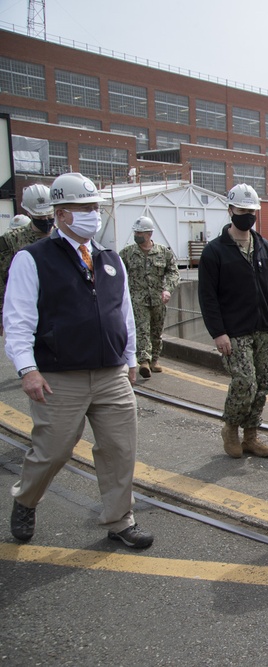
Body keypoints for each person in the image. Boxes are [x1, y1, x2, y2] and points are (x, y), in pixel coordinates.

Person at [5, 172, 153, 549]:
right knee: (53, 449)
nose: (93, 215)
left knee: (120, 449)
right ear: (62, 214)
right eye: (85, 209)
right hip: (59, 375)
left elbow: (124, 312)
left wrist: (131, 357)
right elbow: (18, 319)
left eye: (96, 208)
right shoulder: (32, 258)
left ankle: (120, 519)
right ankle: (26, 498)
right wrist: (27, 369)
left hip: (111, 372)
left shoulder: (109, 257)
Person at [198, 183, 268, 459]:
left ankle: (250, 435)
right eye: (242, 210)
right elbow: (208, 297)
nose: (248, 215)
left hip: (263, 327)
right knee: (245, 381)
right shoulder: (215, 252)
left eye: (252, 211)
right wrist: (218, 332)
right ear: (231, 210)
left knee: (264, 383)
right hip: (234, 331)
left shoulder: (265, 248)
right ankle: (231, 428)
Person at [120, 216, 180, 378]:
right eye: (136, 232)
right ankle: (144, 360)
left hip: (158, 299)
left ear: (149, 234)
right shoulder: (127, 253)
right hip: (137, 299)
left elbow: (174, 272)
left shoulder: (163, 252)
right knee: (142, 329)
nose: (137, 235)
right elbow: (118, 273)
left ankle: (155, 360)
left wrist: (168, 289)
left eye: (141, 232)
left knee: (156, 330)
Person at [0, 184, 57, 333]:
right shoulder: (12, 240)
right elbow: (2, 278)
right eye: (40, 216)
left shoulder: (64, 237)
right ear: (29, 213)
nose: (45, 219)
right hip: (26, 313)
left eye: (49, 215)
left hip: (59, 312)